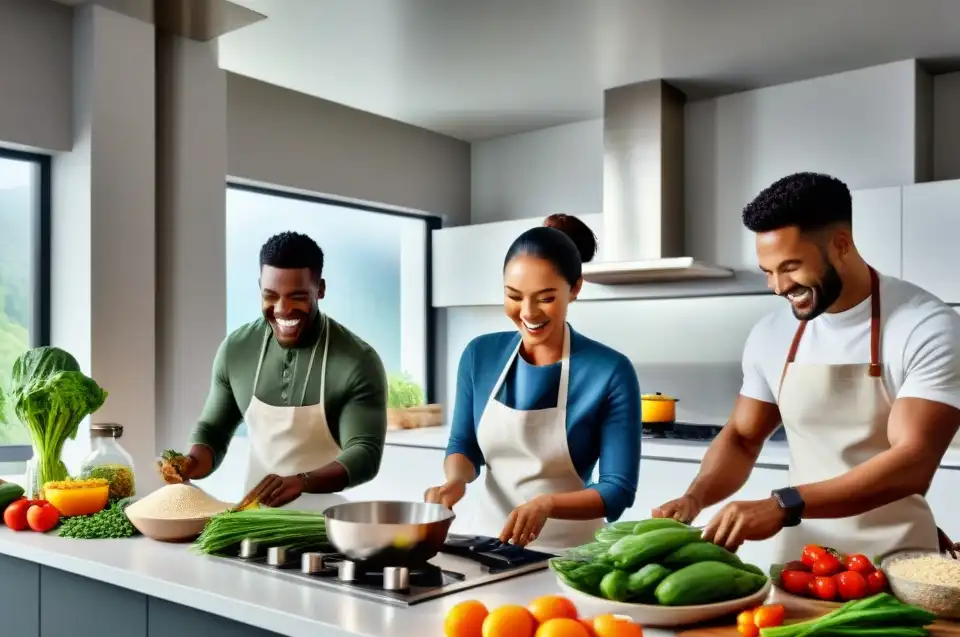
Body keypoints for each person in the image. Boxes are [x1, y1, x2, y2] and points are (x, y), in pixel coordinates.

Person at [653, 172, 960, 560]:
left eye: (791, 266)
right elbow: (743, 438)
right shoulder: (771, 333)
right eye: (768, 271)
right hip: (804, 561)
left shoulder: (924, 325)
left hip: (899, 562)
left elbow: (912, 462)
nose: (778, 287)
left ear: (841, 245)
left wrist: (784, 504)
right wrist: (694, 497)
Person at [424, 214, 641, 550]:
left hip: (569, 555)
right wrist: (454, 481)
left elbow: (617, 489)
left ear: (575, 289)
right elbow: (464, 446)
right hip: (483, 544)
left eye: (545, 298)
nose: (528, 313)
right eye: (514, 296)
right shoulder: (479, 355)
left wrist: (548, 504)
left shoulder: (610, 371)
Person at [159, 232, 388, 507]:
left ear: (321, 290)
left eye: (298, 297)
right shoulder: (236, 350)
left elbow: (365, 453)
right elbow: (213, 430)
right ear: (259, 287)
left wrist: (302, 481)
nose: (282, 309)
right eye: (270, 296)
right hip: (250, 520)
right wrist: (191, 463)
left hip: (325, 527)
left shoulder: (357, 361)